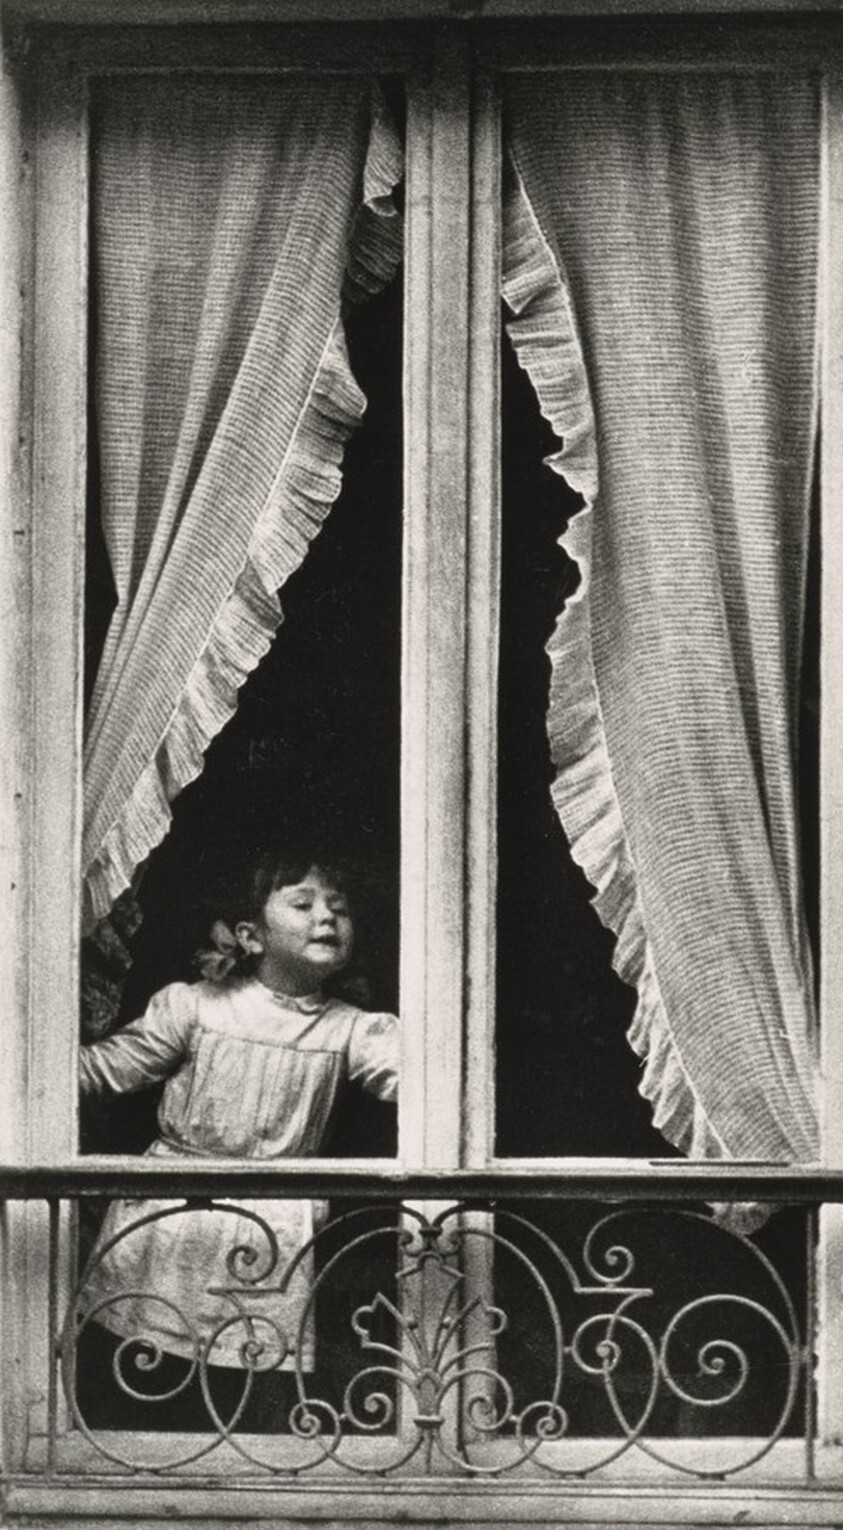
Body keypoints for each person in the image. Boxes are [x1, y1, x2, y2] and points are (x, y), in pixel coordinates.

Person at [74, 841, 398, 1429]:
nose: (327, 916)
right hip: (170, 1222)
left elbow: (429, 1085)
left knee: (246, 1406)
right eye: (303, 903)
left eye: (340, 907)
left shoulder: (353, 1030)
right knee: (140, 1389)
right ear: (250, 936)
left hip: (271, 1234)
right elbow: (103, 1071)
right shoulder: (195, 1007)